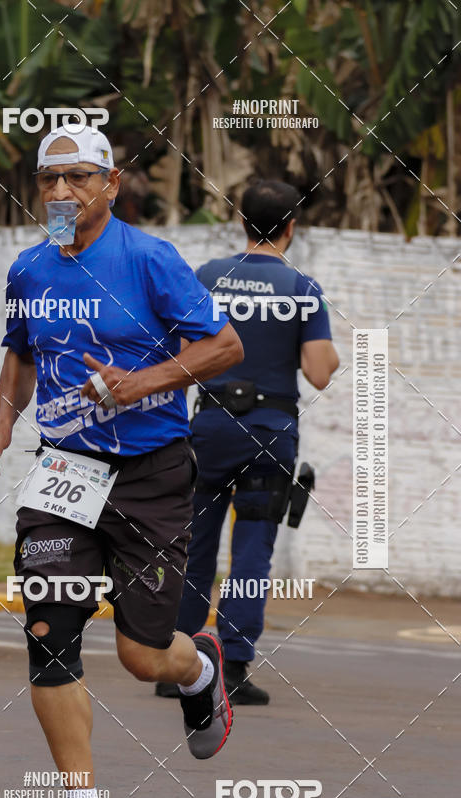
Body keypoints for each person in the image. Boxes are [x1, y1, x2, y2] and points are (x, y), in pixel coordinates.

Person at [0, 125, 243, 798]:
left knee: (143, 655)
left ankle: (199, 668)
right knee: (47, 627)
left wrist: (140, 383)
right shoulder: (30, 268)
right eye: (50, 180)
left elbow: (223, 348)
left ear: (111, 184)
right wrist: (2, 419)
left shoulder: (149, 259)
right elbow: (21, 349)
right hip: (64, 473)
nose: (61, 192)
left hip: (152, 472)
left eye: (79, 178)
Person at [156, 179, 339, 706]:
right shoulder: (302, 288)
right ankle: (232, 668)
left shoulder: (208, 276)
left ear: (241, 223)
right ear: (291, 226)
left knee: (194, 548)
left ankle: (179, 667)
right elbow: (320, 372)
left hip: (209, 429)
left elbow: (179, 351)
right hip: (269, 433)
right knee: (253, 551)